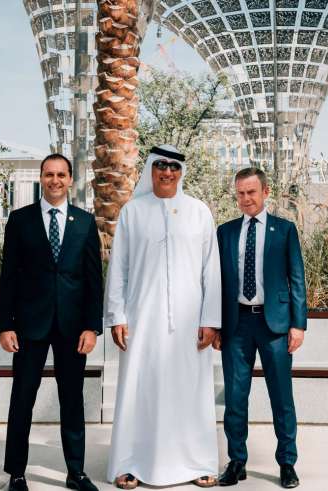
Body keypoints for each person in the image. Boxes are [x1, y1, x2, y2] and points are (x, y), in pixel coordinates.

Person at [103, 145, 221, 489]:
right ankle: (131, 463)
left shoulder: (199, 212)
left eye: (174, 167)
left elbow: (211, 271)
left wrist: (211, 320)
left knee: (191, 392)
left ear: (181, 172)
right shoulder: (132, 212)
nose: (167, 172)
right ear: (151, 169)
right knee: (139, 391)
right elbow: (119, 269)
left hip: (190, 324)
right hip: (142, 320)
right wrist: (117, 315)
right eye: (161, 166)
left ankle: (198, 463)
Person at [0, 154, 103, 491]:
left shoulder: (85, 222)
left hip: (73, 328)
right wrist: (5, 325)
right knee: (22, 398)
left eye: (61, 175)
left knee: (72, 400)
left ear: (70, 179)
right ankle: (16, 473)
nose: (55, 180)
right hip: (29, 326)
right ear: (41, 178)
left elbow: (93, 280)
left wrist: (92, 327)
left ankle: (76, 472)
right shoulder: (20, 220)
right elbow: (9, 276)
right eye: (49, 174)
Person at [213, 167, 307, 489]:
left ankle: (287, 463)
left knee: (281, 397)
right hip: (236, 325)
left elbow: (297, 279)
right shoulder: (225, 232)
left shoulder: (284, 230)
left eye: (251, 192)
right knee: (235, 397)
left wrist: (298, 325)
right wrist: (216, 326)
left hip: (275, 326)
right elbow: (217, 283)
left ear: (265, 192)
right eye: (240, 193)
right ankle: (237, 461)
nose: (245, 199)